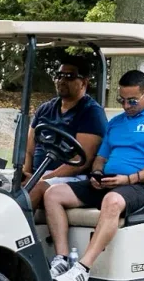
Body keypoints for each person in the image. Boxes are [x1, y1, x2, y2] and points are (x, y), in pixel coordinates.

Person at [44, 70, 144, 281]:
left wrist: (129, 178)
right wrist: (97, 174)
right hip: (112, 182)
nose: (126, 106)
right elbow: (100, 157)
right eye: (122, 100)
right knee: (53, 194)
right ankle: (61, 259)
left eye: (132, 101)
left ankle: (82, 269)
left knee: (112, 201)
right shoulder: (116, 123)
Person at [21, 55, 107, 193]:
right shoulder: (45, 109)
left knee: (37, 187)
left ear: (84, 82)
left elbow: (81, 161)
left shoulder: (91, 112)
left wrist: (40, 179)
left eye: (69, 76)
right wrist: (26, 174)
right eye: (59, 75)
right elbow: (28, 149)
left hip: (72, 178)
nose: (61, 81)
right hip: (38, 175)